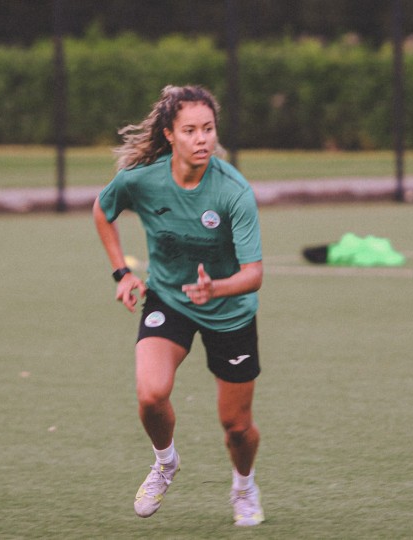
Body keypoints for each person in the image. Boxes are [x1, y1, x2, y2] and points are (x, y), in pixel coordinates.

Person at [92, 85, 265, 526]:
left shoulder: (233, 191)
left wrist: (217, 288)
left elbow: (254, 274)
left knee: (237, 427)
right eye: (190, 130)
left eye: (208, 129)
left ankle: (244, 486)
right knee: (151, 394)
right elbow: (102, 209)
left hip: (229, 310)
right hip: (170, 299)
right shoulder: (143, 179)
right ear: (170, 134)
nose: (202, 138)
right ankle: (165, 462)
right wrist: (122, 273)